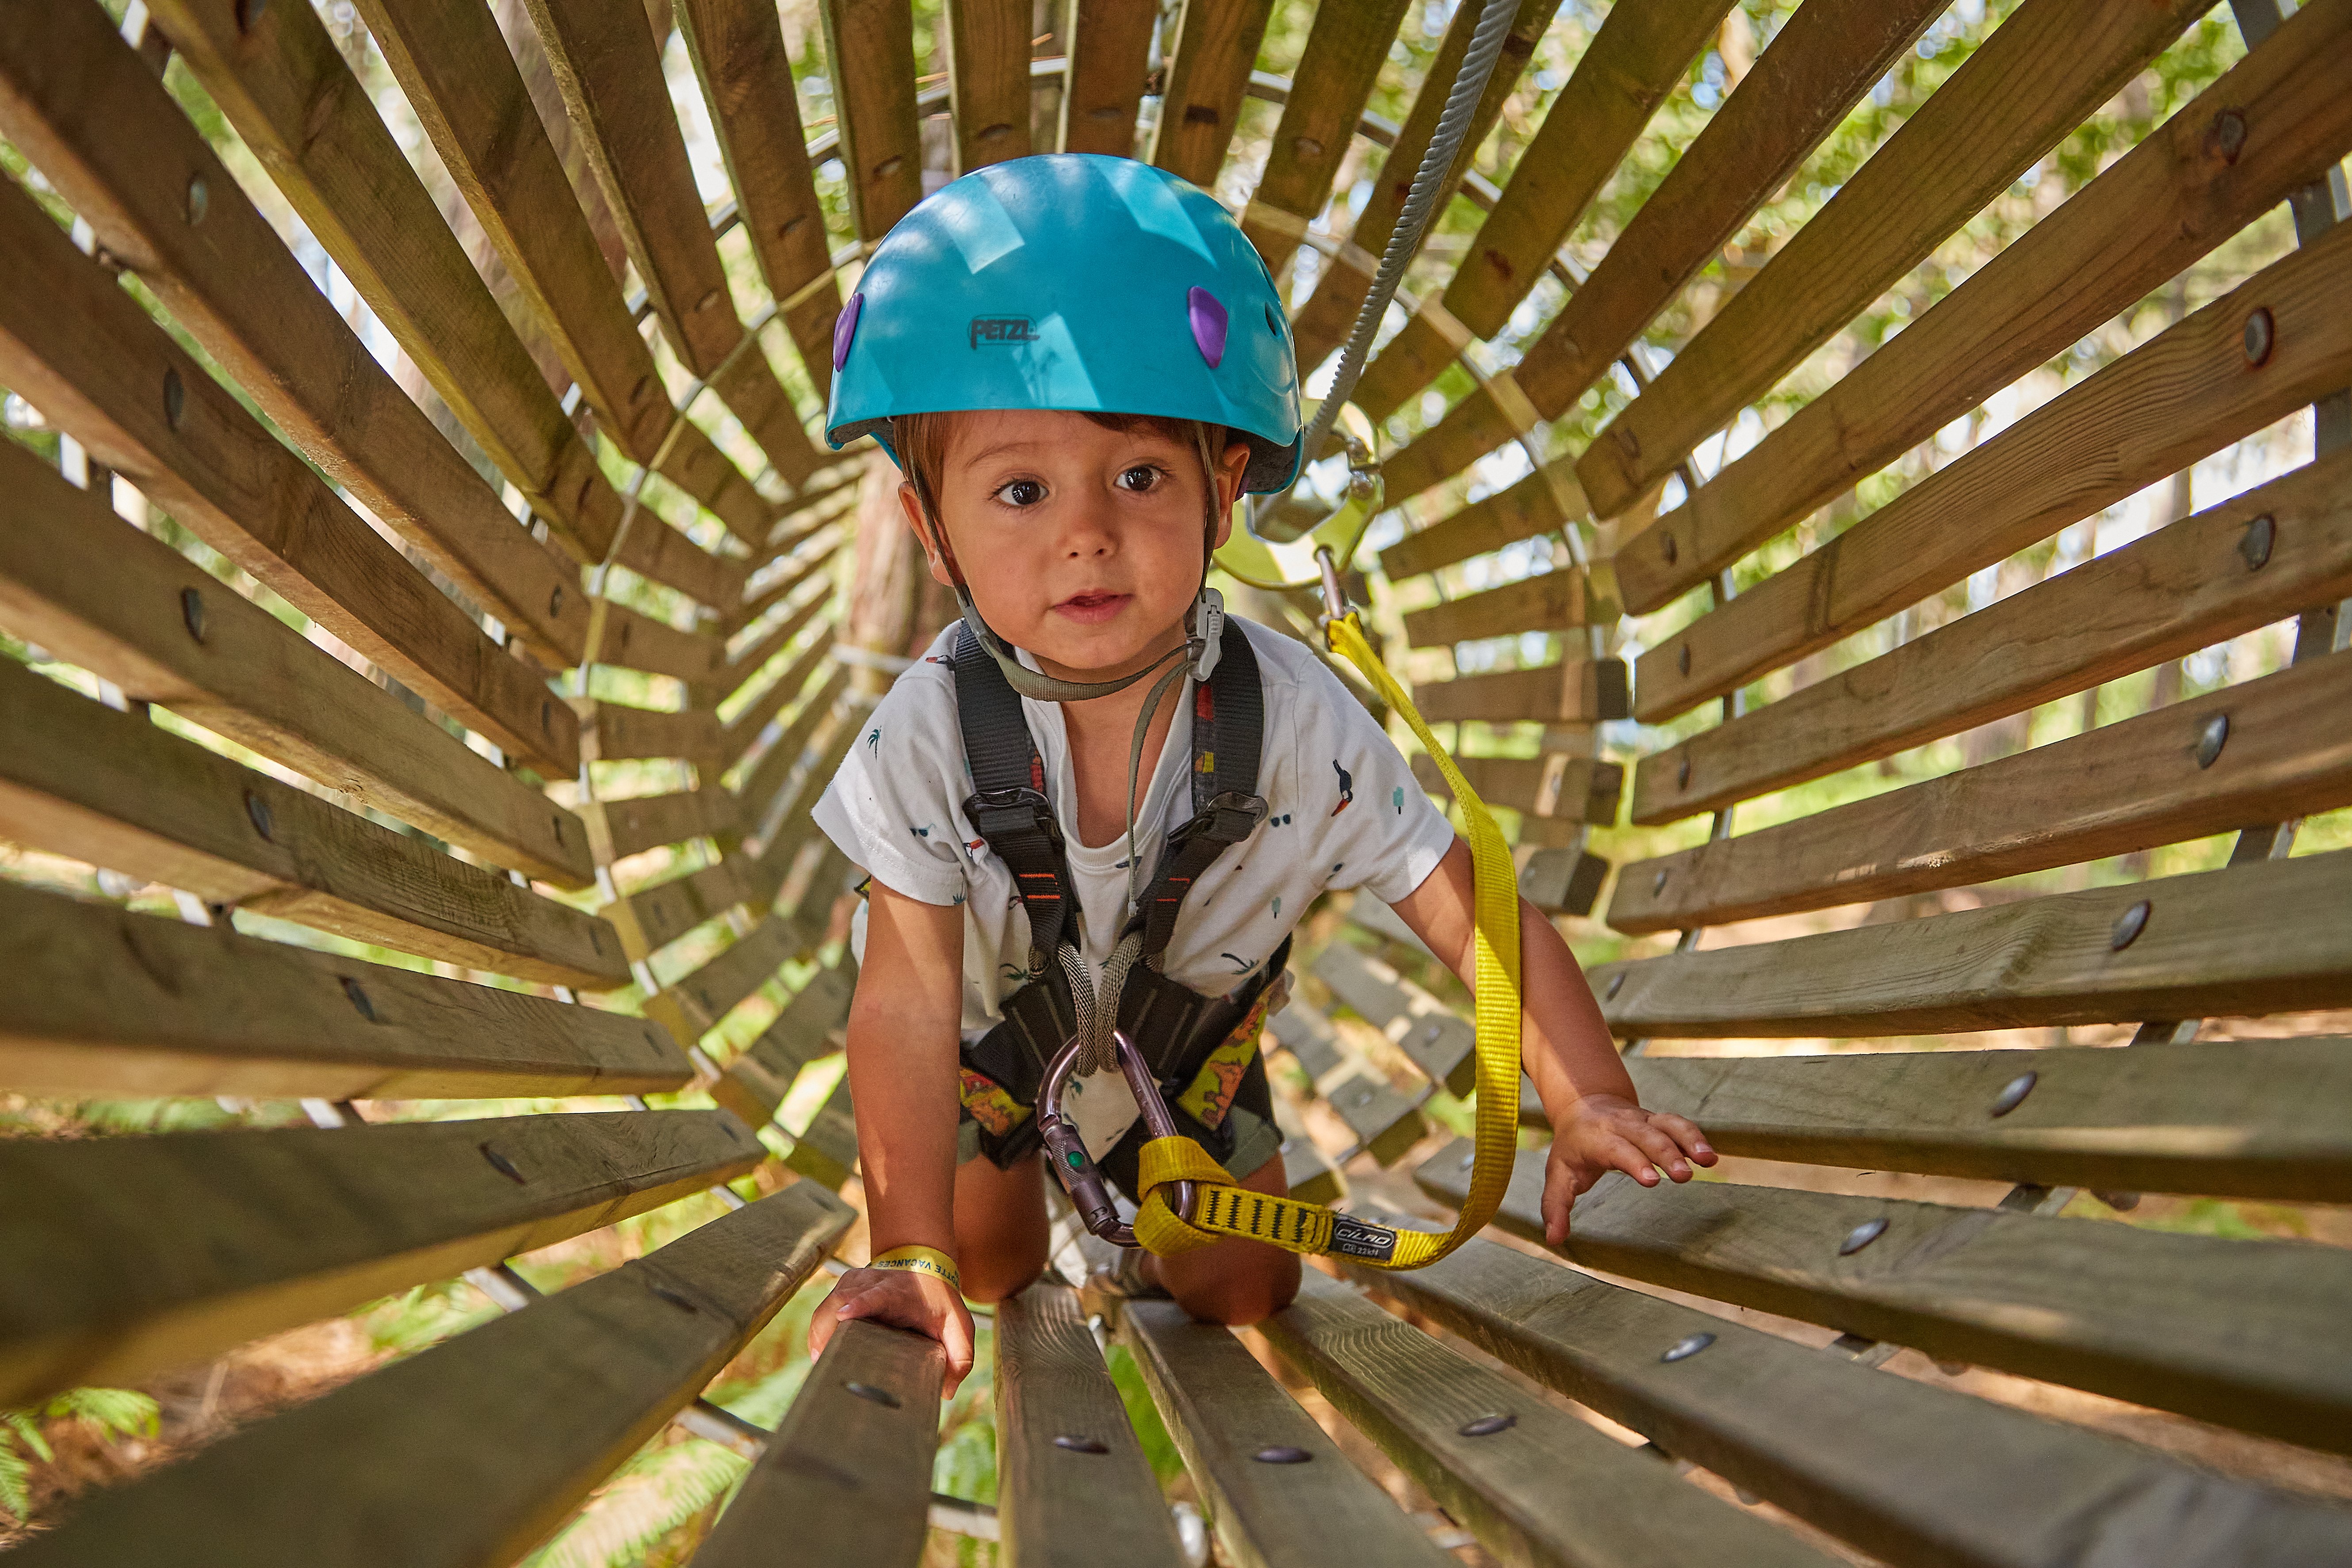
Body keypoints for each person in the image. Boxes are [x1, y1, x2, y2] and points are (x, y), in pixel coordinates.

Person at [803, 155, 1712, 1395]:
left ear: (1225, 491)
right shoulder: (930, 731)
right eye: (1019, 489)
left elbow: (1470, 912)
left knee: (1240, 1288)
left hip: (1191, 1058)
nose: (1086, 531)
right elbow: (905, 1001)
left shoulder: (1291, 717)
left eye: (1139, 476)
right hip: (991, 1053)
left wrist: (1586, 1091)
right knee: (986, 1265)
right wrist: (908, 1245)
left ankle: (1141, 1219)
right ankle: (1014, 1193)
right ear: (932, 529)